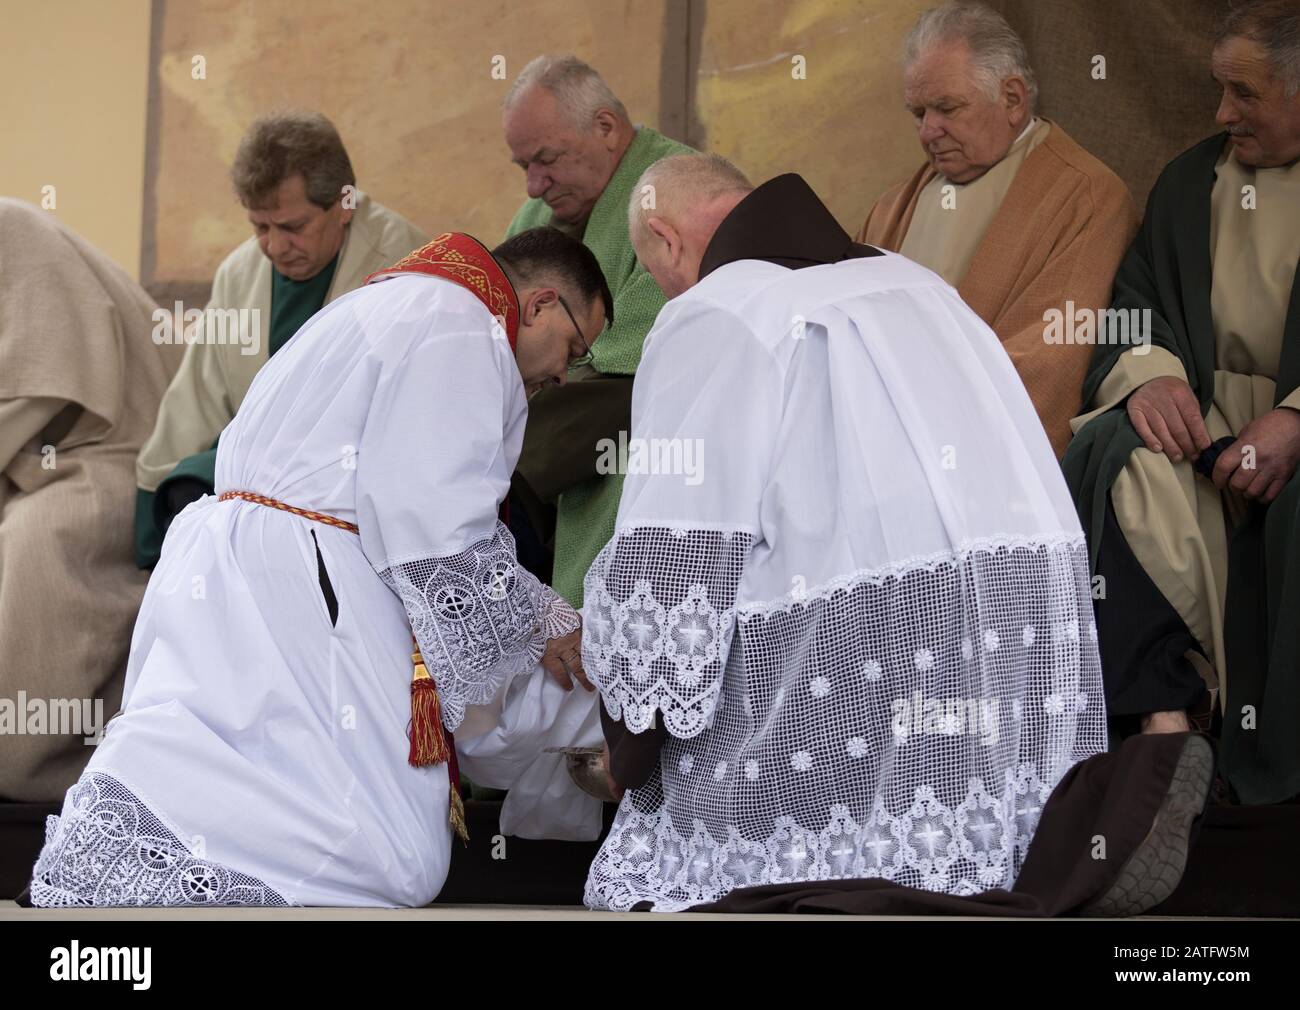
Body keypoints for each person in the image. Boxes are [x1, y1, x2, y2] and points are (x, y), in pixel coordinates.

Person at [29, 228, 611, 907]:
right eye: (574, 346)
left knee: (228, 740)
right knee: (387, 845)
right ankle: (169, 855)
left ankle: (126, 850)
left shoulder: (394, 302)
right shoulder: (464, 325)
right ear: (539, 304)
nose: (564, 375)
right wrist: (542, 616)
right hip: (306, 574)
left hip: (243, 560)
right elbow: (433, 519)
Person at [1065, 0, 1300, 804]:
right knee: (1117, 458)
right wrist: (1151, 373)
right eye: (1218, 90)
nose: (1221, 113)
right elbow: (1134, 303)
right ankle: (1168, 723)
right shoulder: (1190, 181)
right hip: (1209, 428)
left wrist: (1296, 419)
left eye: (1244, 94)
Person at [134, 110, 427, 566]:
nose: (273, 247)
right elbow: (195, 401)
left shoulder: (406, 265)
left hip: (357, 517)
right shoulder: (239, 272)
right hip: (245, 508)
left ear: (344, 204)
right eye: (259, 227)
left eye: (292, 227)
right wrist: (157, 509)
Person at [859, 2, 1137, 457]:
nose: (929, 131)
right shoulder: (892, 206)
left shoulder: (1088, 197)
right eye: (918, 112)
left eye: (947, 108)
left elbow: (1052, 357)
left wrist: (906, 422)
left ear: (1012, 98)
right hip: (873, 435)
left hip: (966, 453)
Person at [0, 200, 181, 807]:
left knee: (37, 541)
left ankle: (37, 771)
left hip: (126, 450)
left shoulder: (12, 230)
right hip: (45, 457)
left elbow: (40, 385)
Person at [502, 55, 695, 605]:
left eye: (546, 159)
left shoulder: (676, 195)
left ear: (606, 127)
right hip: (542, 478)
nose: (536, 185)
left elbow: (637, 365)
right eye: (523, 167)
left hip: (637, 474)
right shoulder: (532, 223)